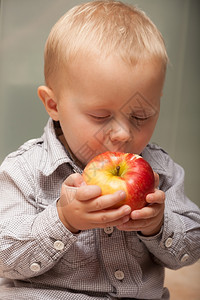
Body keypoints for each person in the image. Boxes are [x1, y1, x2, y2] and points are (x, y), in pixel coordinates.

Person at [0, 1, 199, 299]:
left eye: (140, 116)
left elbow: (192, 247)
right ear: (53, 105)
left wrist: (159, 225)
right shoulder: (25, 172)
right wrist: (63, 220)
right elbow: (5, 258)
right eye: (100, 116)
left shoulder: (161, 171)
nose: (122, 133)